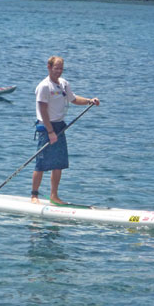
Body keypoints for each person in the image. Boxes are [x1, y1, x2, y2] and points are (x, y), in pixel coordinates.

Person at [31, 55, 100, 204]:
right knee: (41, 163)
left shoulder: (64, 84)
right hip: (46, 126)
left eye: (61, 68)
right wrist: (50, 132)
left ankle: (54, 196)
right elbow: (43, 110)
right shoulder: (44, 86)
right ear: (49, 67)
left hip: (60, 125)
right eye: (56, 68)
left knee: (59, 163)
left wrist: (89, 101)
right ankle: (34, 196)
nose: (59, 71)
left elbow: (73, 99)